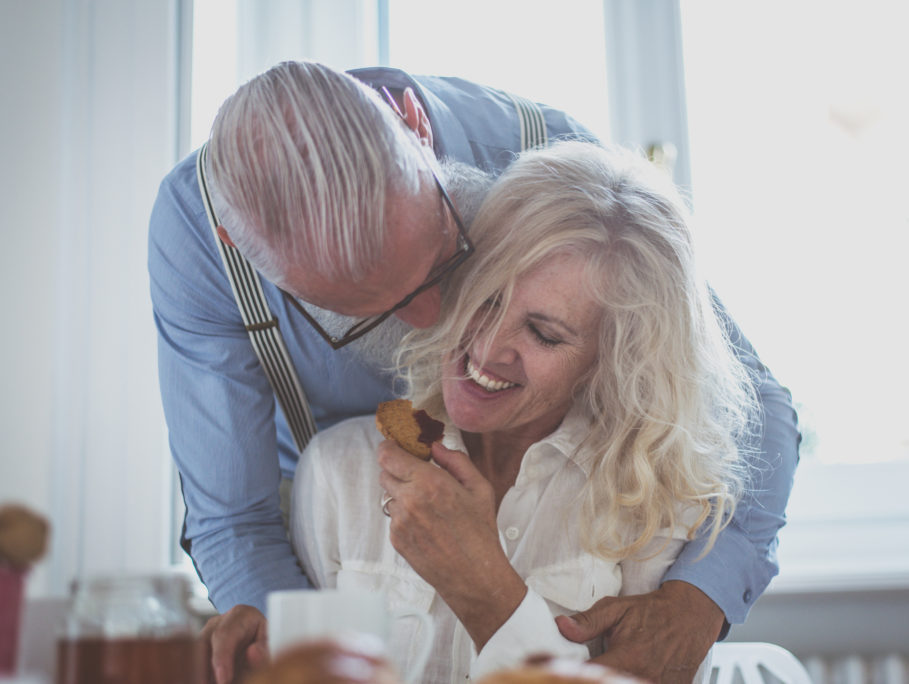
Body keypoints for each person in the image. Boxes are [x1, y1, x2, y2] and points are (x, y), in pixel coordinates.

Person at [147, 61, 799, 684]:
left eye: (447, 263)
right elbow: (235, 519)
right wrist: (283, 650)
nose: (439, 324)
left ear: (414, 126)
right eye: (358, 315)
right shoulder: (331, 473)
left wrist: (697, 599)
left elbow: (750, 403)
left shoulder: (557, 166)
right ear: (238, 242)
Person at [291, 141, 757, 683]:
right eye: (485, 298)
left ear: (611, 363)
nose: (487, 350)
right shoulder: (336, 470)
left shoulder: (655, 501)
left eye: (543, 333)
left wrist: (486, 590)